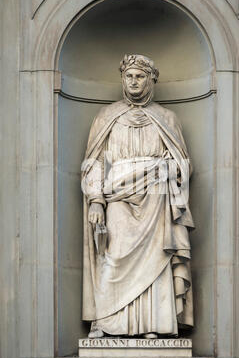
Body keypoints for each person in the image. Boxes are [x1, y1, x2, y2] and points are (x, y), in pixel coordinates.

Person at [81, 54, 194, 339]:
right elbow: (94, 162)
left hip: (156, 199)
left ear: (151, 80)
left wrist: (159, 169)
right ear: (123, 79)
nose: (134, 81)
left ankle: (152, 324)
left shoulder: (167, 118)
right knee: (113, 257)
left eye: (140, 76)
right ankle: (107, 321)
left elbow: (183, 165)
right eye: (129, 76)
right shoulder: (107, 117)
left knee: (157, 260)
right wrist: (96, 199)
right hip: (117, 197)